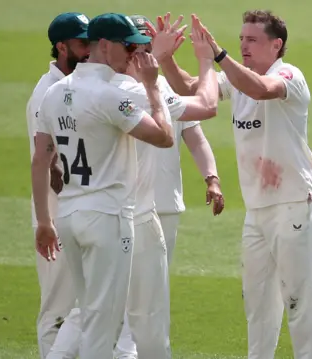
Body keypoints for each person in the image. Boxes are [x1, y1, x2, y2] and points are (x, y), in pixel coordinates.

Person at [160, 10, 312, 359]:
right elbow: (191, 89)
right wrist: (166, 60)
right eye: (241, 39)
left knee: (299, 298)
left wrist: (217, 56)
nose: (243, 46)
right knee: (258, 300)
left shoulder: (289, 75)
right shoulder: (237, 78)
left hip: (296, 200)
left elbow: (262, 89)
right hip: (258, 207)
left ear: (276, 45)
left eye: (252, 40)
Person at [31, 12, 173, 359]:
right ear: (105, 46)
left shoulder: (54, 92)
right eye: (128, 47)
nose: (134, 55)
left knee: (91, 311)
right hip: (108, 217)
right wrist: (153, 86)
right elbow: (164, 137)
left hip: (69, 215)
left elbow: (40, 159)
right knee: (103, 327)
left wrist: (45, 222)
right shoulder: (112, 95)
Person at [111, 14, 223, 359]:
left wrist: (212, 178)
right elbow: (207, 106)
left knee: (145, 295)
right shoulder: (128, 92)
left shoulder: (156, 89)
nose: (145, 46)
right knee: (136, 298)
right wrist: (204, 61)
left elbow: (195, 137)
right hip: (128, 208)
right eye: (141, 41)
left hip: (163, 203)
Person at [25, 12, 91, 359]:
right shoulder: (47, 92)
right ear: (62, 46)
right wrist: (47, 223)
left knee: (84, 304)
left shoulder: (74, 84)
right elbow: (49, 164)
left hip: (74, 208)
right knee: (57, 308)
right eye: (83, 43)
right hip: (55, 210)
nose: (90, 49)